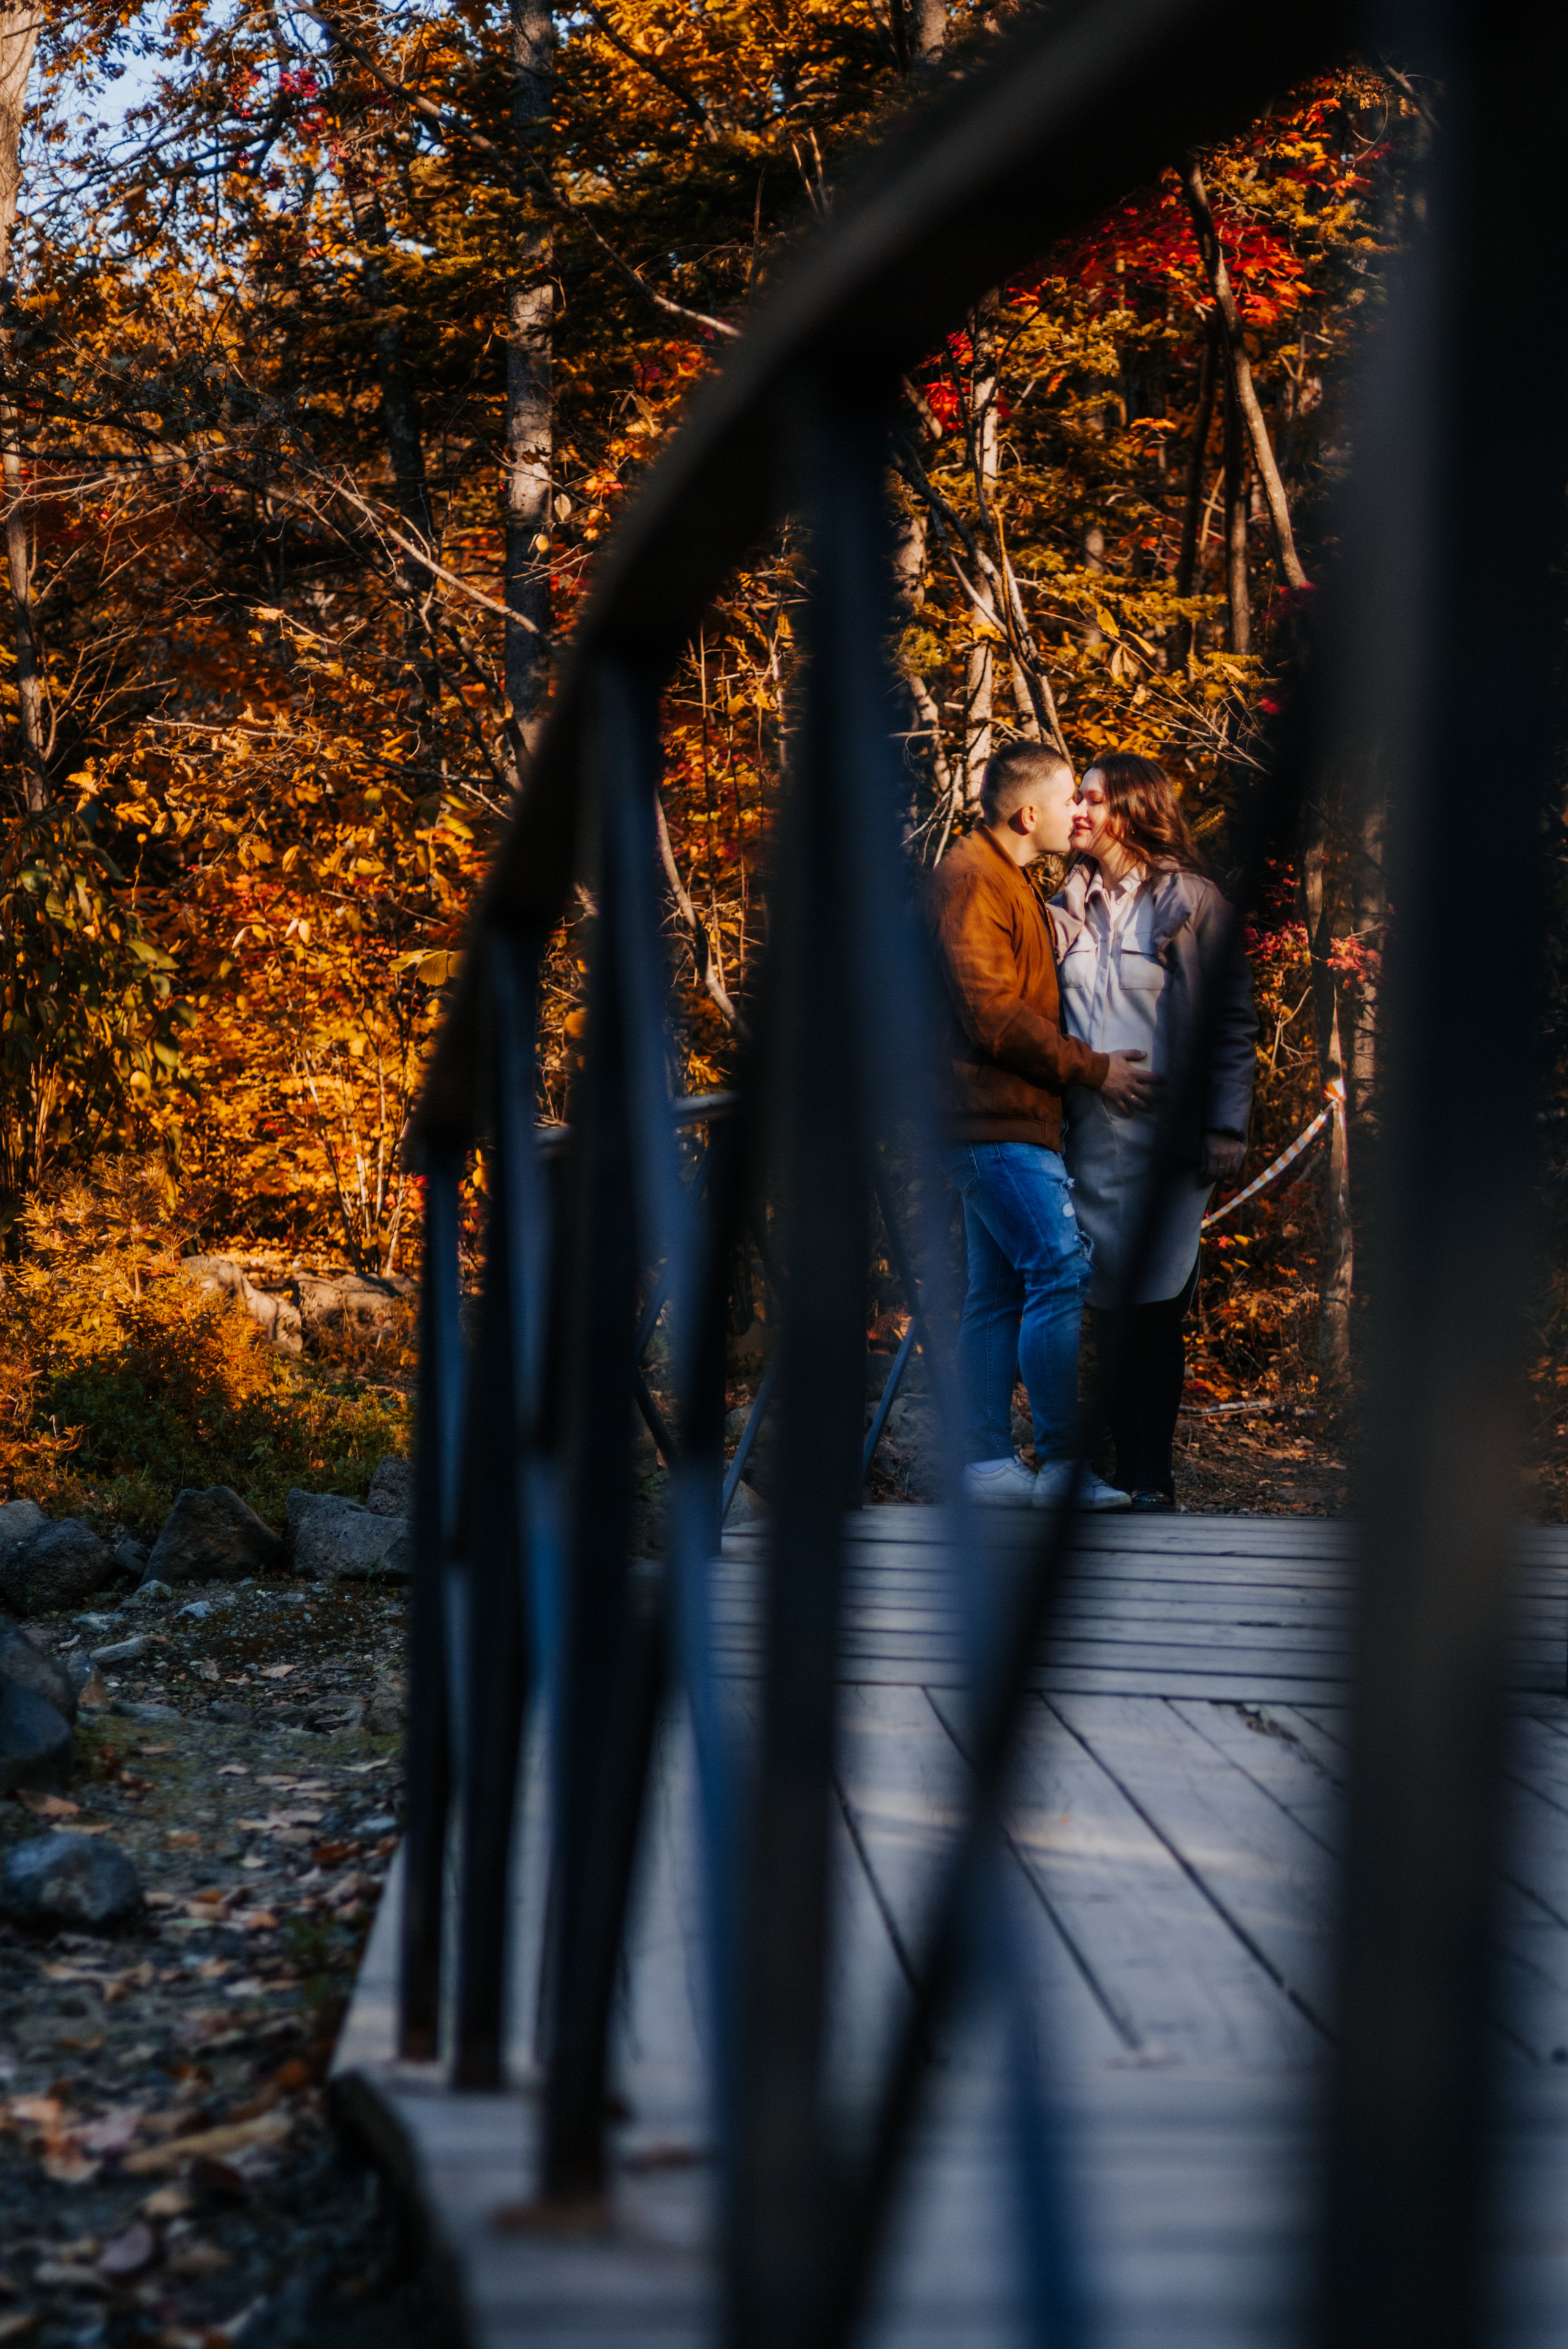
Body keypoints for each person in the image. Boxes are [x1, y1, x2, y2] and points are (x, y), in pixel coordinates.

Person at [924, 740, 1161, 1508]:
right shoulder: (971, 881)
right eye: (1068, 803)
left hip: (1000, 1117)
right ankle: (1061, 1467)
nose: (1078, 816)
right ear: (1031, 814)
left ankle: (987, 1464)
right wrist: (1094, 1068)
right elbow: (992, 1017)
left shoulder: (1006, 880)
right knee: (1060, 1269)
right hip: (989, 1118)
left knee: (995, 1295)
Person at [1049, 751, 1257, 1512]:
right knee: (1102, 1305)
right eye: (1076, 796)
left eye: (1091, 798)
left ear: (1132, 809)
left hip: (1169, 1144)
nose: (1076, 809)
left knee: (1156, 1304)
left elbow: (1232, 1022)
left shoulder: (1194, 901)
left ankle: (1151, 1478)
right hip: (1086, 1139)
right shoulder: (1062, 902)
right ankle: (1106, 1471)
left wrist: (1225, 1124)